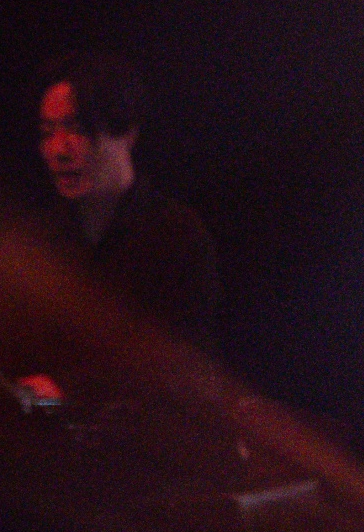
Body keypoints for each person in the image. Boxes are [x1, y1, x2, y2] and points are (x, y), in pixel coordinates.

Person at [15, 52, 222, 407]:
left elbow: (184, 372)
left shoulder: (177, 236)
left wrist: (71, 391)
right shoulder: (40, 237)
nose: (57, 150)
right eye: (47, 133)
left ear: (127, 133)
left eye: (78, 129)